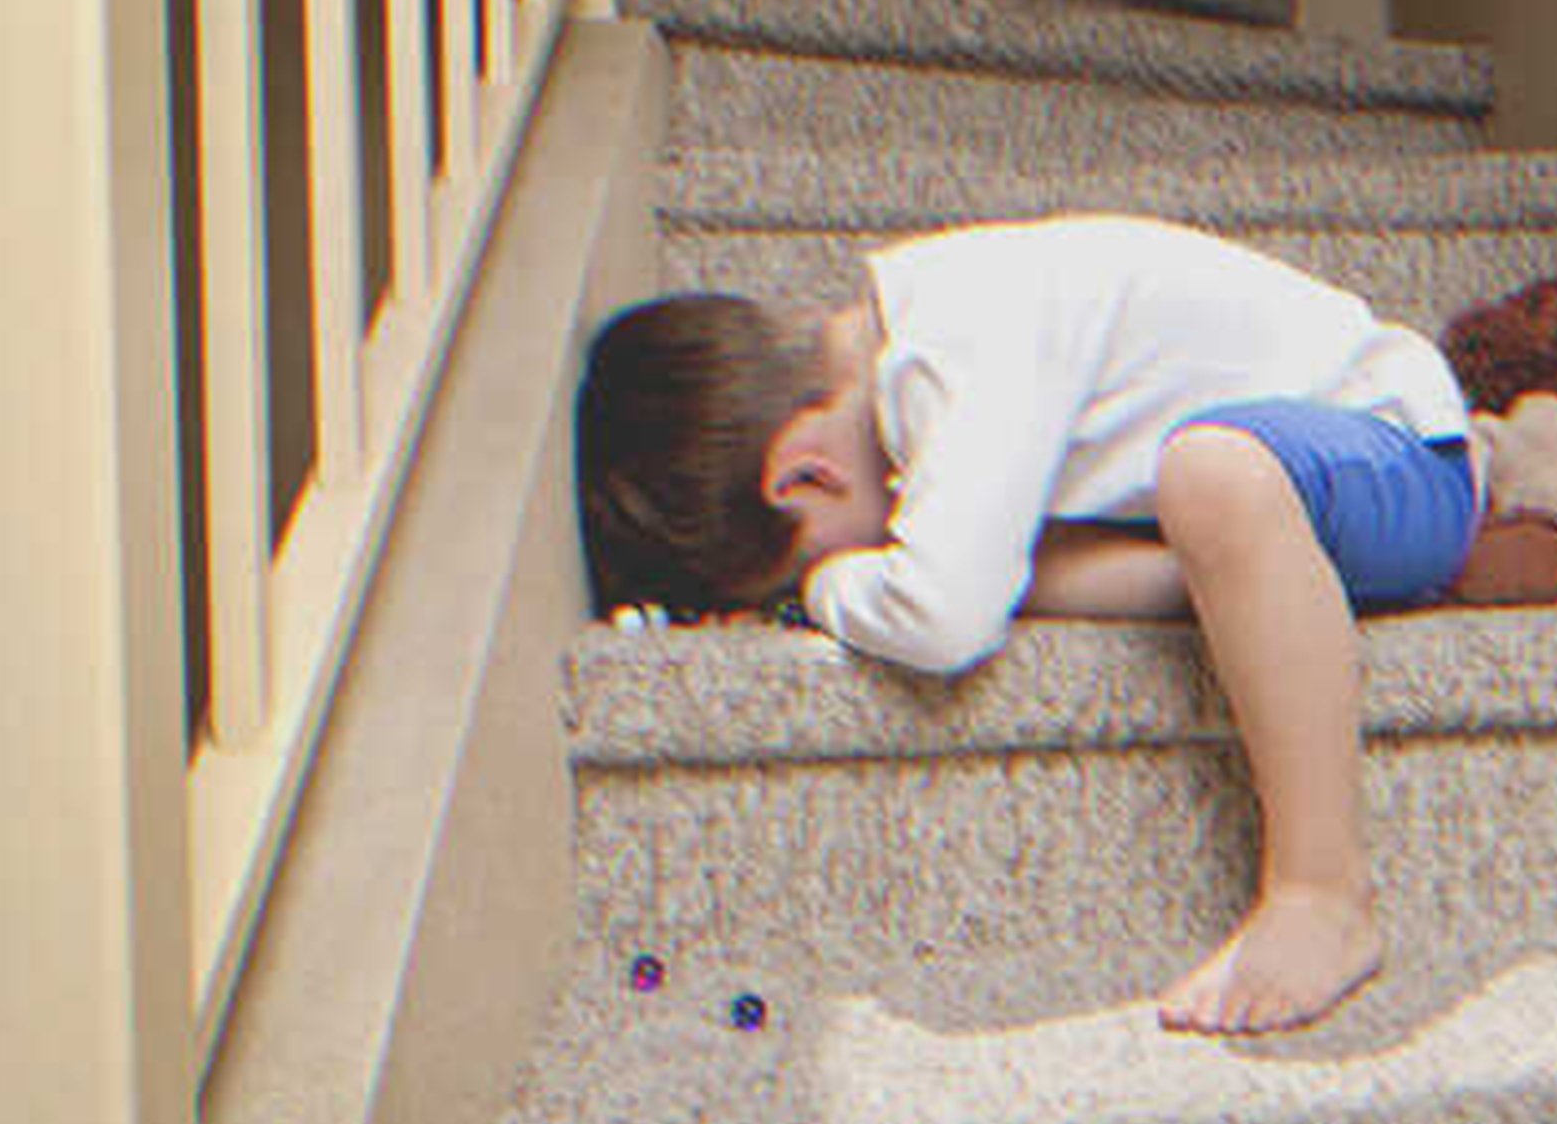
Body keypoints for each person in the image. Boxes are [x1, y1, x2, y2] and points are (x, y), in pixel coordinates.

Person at [576, 214, 1479, 1036]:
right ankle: (1276, 589)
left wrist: (815, 593)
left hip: (1401, 455)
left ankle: (1323, 892)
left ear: (803, 480)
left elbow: (944, 619)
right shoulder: (919, 338)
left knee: (1208, 476)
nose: (850, 563)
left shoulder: (954, 342)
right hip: (1289, 497)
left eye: (811, 554)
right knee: (1032, 551)